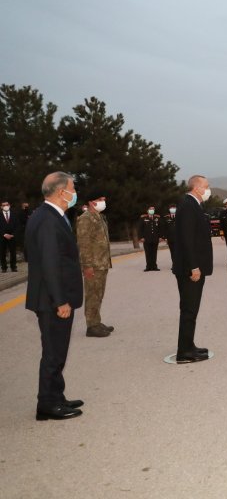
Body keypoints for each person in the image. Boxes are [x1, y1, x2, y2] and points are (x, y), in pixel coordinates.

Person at [25, 172, 84, 420]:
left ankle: (56, 396)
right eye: (72, 188)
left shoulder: (49, 215)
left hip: (52, 297)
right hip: (52, 300)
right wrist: (60, 301)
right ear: (62, 192)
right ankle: (47, 405)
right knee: (53, 352)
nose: (74, 193)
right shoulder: (49, 219)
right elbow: (50, 263)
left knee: (57, 350)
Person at [172, 175, 213, 363]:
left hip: (193, 267)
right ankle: (184, 352)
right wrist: (194, 266)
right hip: (191, 269)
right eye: (206, 186)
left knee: (191, 309)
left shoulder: (193, 204)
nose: (208, 189)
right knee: (189, 309)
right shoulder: (189, 206)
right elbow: (187, 240)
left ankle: (189, 345)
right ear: (196, 188)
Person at [76, 188, 114, 338]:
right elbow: (84, 244)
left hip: (102, 263)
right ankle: (91, 326)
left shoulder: (99, 217)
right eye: (100, 200)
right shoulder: (86, 219)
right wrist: (87, 266)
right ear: (92, 202)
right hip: (93, 265)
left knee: (99, 294)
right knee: (92, 294)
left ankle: (96, 322)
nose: (103, 202)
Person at [138, 206, 161, 271]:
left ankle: (154, 266)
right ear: (147, 211)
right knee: (148, 253)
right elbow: (140, 228)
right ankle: (148, 266)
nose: (152, 210)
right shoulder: (143, 218)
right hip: (146, 239)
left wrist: (160, 237)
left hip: (155, 238)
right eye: (150, 209)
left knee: (154, 253)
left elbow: (160, 228)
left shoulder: (157, 218)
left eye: (153, 209)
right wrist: (141, 237)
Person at [1, 200, 19, 272]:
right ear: (1, 207)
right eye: (3, 205)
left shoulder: (14, 214)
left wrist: (13, 234)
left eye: (7, 204)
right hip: (2, 237)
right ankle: (4, 267)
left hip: (12, 236)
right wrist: (4, 234)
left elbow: (18, 225)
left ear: (9, 205)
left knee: (13, 252)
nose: (5, 206)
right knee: (2, 253)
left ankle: (13, 267)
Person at [161, 204, 178, 268]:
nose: (172, 209)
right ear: (169, 209)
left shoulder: (180, 216)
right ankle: (174, 265)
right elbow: (164, 228)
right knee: (172, 252)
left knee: (179, 252)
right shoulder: (166, 218)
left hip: (179, 239)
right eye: (171, 208)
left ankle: (179, 265)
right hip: (170, 238)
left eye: (174, 208)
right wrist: (165, 237)